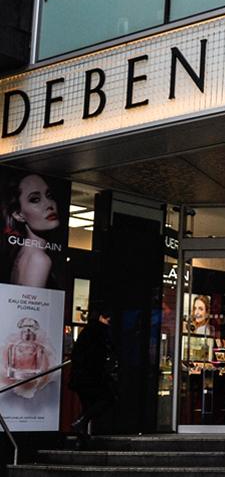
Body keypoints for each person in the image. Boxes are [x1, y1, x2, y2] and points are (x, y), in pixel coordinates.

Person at [2, 173, 64, 288]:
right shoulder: (39, 260)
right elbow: (32, 305)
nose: (49, 204)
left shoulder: (23, 254)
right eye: (35, 199)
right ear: (18, 214)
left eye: (49, 195)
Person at [69, 305, 119, 441]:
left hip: (81, 377)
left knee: (88, 405)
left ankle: (82, 437)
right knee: (107, 399)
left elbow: (78, 354)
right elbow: (97, 357)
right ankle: (81, 422)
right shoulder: (99, 332)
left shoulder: (87, 331)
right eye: (107, 317)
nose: (109, 320)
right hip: (92, 377)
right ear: (101, 317)